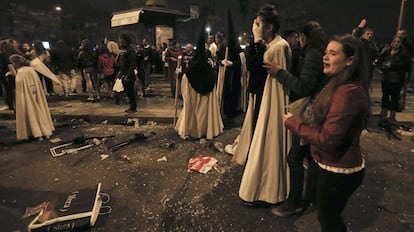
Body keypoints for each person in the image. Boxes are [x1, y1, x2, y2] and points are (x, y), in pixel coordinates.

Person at [284, 34, 370, 231]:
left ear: (350, 61)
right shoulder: (337, 84)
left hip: (338, 170)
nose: (325, 57)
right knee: (324, 212)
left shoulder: (348, 92)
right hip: (327, 163)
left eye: (333, 53)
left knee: (329, 219)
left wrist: (293, 122)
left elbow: (328, 139)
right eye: (326, 52)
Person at [267, 21, 327, 217]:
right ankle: (315, 196)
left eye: (299, 36)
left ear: (304, 36)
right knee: (311, 156)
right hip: (316, 112)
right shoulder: (314, 52)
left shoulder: (313, 55)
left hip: (309, 113)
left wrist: (280, 73)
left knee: (294, 157)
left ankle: (294, 203)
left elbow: (303, 86)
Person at [238, 4, 291, 205]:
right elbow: (253, 67)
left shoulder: (279, 46)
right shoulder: (269, 45)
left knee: (267, 143)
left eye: (258, 24)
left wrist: (258, 42)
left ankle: (266, 188)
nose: (255, 27)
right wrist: (257, 42)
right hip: (261, 96)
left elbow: (259, 68)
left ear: (268, 27)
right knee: (257, 140)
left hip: (272, 102)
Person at [175, 22, 223, 140]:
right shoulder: (210, 73)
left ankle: (194, 130)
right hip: (205, 103)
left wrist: (180, 74)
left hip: (194, 101)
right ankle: (207, 129)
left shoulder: (190, 74)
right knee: (205, 111)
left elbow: (185, 95)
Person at [9, 54, 55, 140]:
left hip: (27, 96)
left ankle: (37, 133)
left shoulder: (21, 72)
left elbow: (19, 84)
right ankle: (45, 130)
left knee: (32, 112)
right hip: (35, 94)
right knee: (40, 110)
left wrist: (13, 76)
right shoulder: (31, 70)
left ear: (16, 62)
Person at [378, 36, 411, 121]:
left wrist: (393, 65)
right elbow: (380, 61)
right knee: (385, 96)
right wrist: (381, 65)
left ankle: (392, 116)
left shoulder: (404, 54)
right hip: (386, 78)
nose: (396, 43)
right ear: (391, 43)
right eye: (394, 41)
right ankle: (383, 113)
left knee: (394, 97)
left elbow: (406, 66)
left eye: (398, 42)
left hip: (396, 79)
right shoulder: (387, 52)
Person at [118, 34, 137, 113]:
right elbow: (121, 63)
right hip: (124, 73)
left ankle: (133, 107)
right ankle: (131, 106)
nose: (119, 41)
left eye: (120, 40)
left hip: (129, 75)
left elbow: (132, 64)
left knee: (130, 91)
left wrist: (128, 75)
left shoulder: (130, 50)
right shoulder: (123, 50)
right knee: (127, 90)